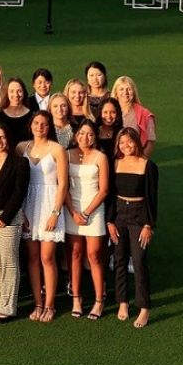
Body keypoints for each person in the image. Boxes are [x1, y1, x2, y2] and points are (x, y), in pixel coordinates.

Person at [109, 127, 158, 329]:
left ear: (137, 142)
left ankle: (144, 307)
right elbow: (111, 195)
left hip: (139, 216)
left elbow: (152, 198)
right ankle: (122, 302)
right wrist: (110, 221)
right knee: (119, 259)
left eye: (129, 142)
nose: (126, 146)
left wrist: (149, 225)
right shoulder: (116, 163)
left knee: (138, 261)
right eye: (122, 143)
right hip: (119, 213)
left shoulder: (148, 166)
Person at [22, 111, 69, 323]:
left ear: (49, 127)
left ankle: (50, 304)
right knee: (32, 258)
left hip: (50, 203)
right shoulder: (21, 148)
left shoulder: (58, 150)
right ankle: (38, 302)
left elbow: (63, 184)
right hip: (28, 204)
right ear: (31, 125)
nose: (40, 126)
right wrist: (21, 211)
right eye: (36, 123)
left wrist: (55, 213)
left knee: (47, 257)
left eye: (44, 123)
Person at [0, 124, 29, 322]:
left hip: (9, 217)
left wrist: (5, 217)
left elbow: (19, 192)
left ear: (8, 139)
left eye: (2, 137)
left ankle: (8, 307)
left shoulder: (19, 163)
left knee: (9, 262)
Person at [65, 121, 110, 320]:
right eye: (82, 133)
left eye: (90, 134)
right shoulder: (67, 155)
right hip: (72, 208)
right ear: (76, 135)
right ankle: (76, 298)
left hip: (94, 209)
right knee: (74, 253)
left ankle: (99, 300)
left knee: (94, 255)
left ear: (95, 137)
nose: (86, 138)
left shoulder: (101, 157)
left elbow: (104, 190)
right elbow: (63, 186)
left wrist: (87, 213)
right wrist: (74, 211)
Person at [112, 76, 156, 157]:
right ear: (116, 92)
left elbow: (151, 141)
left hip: (136, 158)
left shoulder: (144, 114)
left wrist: (141, 160)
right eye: (121, 89)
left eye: (129, 89)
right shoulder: (108, 112)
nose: (125, 93)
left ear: (134, 92)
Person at [0, 77, 33, 147]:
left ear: (24, 92)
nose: (16, 95)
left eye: (19, 91)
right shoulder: (0, 115)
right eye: (12, 91)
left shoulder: (32, 115)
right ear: (7, 93)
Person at [93, 97, 123, 162]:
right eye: (105, 112)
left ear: (118, 114)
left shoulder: (122, 132)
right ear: (100, 113)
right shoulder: (93, 131)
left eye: (113, 112)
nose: (109, 116)